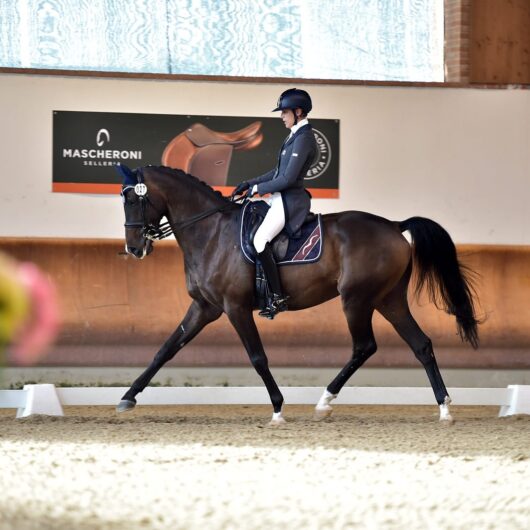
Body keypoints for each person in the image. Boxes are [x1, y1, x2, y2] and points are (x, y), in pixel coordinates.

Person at [233, 88, 317, 319]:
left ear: (298, 112)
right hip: (278, 197)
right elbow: (277, 171)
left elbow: (288, 179)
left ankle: (277, 297)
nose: (281, 116)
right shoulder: (294, 135)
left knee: (260, 240)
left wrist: (256, 190)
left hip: (289, 201)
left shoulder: (305, 138)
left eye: (285, 112)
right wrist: (248, 183)